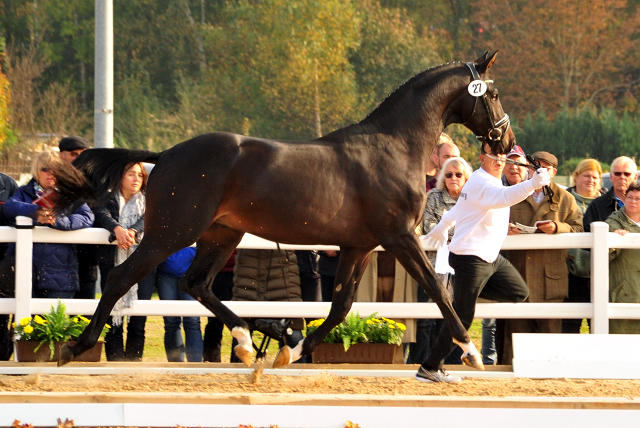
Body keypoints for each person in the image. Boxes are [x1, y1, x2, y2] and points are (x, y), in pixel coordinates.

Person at [418, 141, 551, 383]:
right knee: (463, 318)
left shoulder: (482, 181)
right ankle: (429, 368)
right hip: (471, 258)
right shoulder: (482, 182)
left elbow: (459, 210)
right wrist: (532, 184)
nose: (500, 160)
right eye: (493, 156)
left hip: (489, 259)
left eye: (503, 156)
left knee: (518, 291)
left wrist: (443, 224)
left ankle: (462, 291)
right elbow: (504, 197)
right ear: (482, 159)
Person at [500, 151, 583, 364]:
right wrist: (505, 229)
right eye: (535, 167)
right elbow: (493, 222)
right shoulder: (514, 193)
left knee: (550, 335)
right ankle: (512, 378)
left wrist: (558, 227)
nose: (540, 171)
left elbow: (579, 229)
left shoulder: (566, 199)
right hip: (518, 274)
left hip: (550, 278)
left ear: (554, 172)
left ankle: (551, 376)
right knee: (516, 337)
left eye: (545, 168)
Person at [1, 149, 94, 300]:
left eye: (56, 169)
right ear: (37, 171)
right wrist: (35, 211)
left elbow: (87, 217)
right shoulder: (24, 192)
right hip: (26, 270)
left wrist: (57, 220)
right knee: (25, 321)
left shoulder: (71, 195)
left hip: (60, 272)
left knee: (54, 322)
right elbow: (9, 207)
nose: (50, 173)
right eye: (45, 169)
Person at [407, 157, 472, 365]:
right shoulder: (433, 196)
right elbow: (430, 227)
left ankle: (453, 363)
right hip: (434, 265)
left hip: (461, 266)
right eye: (449, 174)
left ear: (466, 178)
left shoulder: (472, 199)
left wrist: (446, 228)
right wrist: (454, 230)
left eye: (458, 174)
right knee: (426, 319)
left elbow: (473, 227)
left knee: (454, 317)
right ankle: (420, 362)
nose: (453, 178)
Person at [94, 161, 154, 361]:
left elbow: (147, 218)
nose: (136, 178)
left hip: (143, 265)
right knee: (113, 318)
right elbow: (101, 214)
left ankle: (134, 367)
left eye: (140, 175)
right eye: (131, 174)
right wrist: (117, 229)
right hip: (112, 264)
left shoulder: (149, 201)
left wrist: (133, 231)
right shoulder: (108, 197)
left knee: (138, 321)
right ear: (120, 177)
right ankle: (115, 365)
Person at [231, 249, 306, 363]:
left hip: (282, 275)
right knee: (242, 331)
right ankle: (236, 375)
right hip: (249, 273)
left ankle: (302, 376)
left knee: (292, 329)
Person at [562, 159, 605, 334]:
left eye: (595, 177)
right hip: (571, 271)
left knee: (599, 324)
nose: (590, 180)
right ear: (577, 177)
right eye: (586, 175)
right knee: (570, 324)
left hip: (599, 273)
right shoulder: (564, 199)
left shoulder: (605, 202)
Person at [58, 136, 99, 301]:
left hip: (87, 255)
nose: (80, 159)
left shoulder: (97, 183)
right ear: (62, 155)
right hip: (57, 256)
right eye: (74, 154)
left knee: (85, 309)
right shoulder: (50, 179)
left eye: (83, 154)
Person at [156, 246, 203, 362]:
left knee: (192, 321)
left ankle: (195, 365)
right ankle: (175, 366)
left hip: (191, 273)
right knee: (171, 322)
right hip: (166, 274)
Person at [605, 182, 640, 333]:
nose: (633, 201)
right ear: (624, 199)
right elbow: (602, 257)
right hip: (624, 289)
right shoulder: (613, 223)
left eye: (638, 199)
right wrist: (615, 240)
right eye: (630, 197)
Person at [583, 156, 638, 232]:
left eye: (627, 174)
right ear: (611, 177)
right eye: (617, 173)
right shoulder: (597, 205)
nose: (622, 177)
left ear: (635, 177)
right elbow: (587, 234)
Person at [202, 251, 236, 362]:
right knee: (215, 321)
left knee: (243, 321)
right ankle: (211, 361)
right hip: (219, 273)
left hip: (242, 273)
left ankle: (238, 361)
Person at [0, 171, 19, 361]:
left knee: (1, 317)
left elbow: (15, 219)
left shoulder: (8, 183)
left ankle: (3, 360)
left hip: (2, 262)